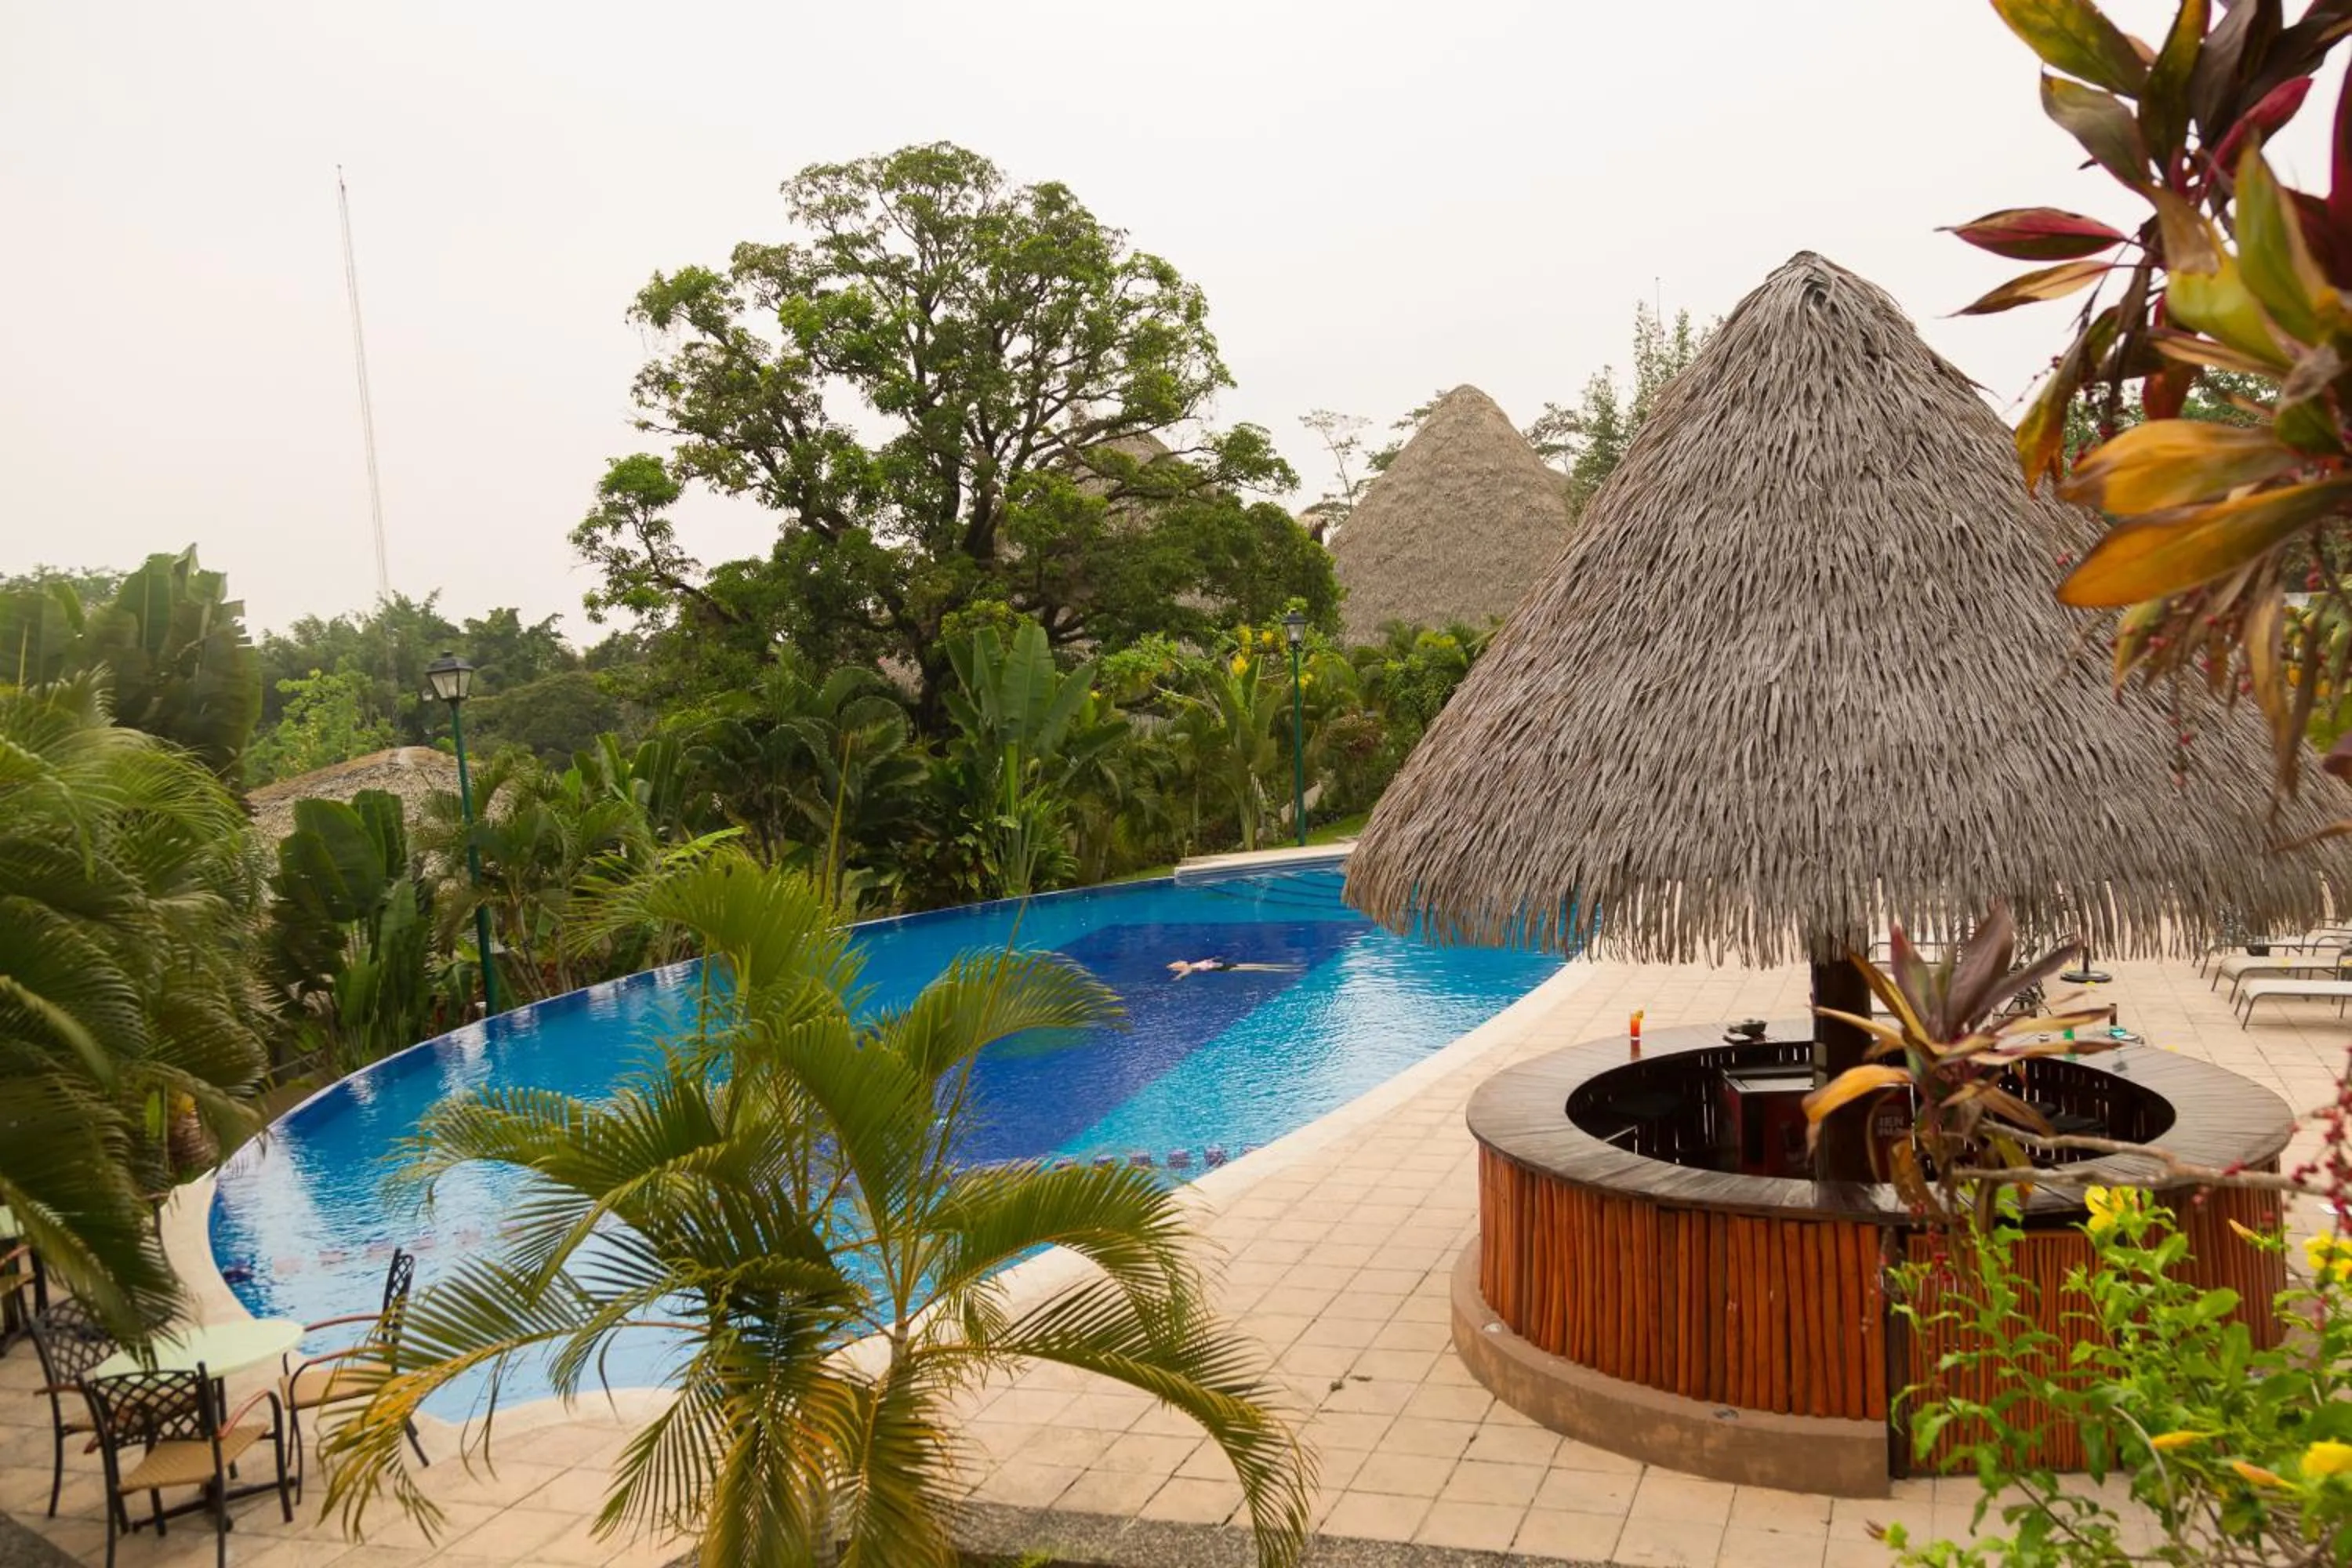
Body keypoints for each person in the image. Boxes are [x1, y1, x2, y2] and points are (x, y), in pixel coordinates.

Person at [1166, 957, 1298, 978]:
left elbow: (1185, 971)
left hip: (1225, 968)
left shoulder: (1190, 967)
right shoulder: (1194, 964)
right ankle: (1287, 968)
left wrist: (1178, 977)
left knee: (1257, 968)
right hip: (1225, 966)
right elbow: (1183, 965)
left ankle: (1286, 969)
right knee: (1257, 966)